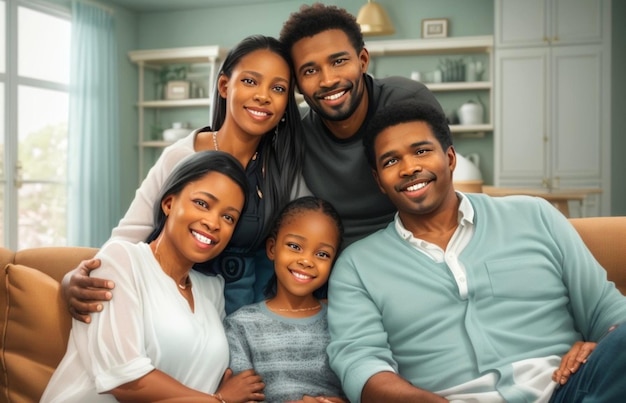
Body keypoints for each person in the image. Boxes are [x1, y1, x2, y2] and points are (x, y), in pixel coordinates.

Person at [326, 100, 626, 403]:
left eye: (421, 151)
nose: (409, 168)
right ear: (379, 181)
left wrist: (604, 345)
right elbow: (361, 365)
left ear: (450, 157)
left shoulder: (534, 215)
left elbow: (607, 309)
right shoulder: (357, 266)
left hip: (568, 390)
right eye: (390, 161)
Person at [64, 34, 307, 318]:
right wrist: (73, 279)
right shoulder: (182, 155)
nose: (263, 96)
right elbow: (129, 236)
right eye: (250, 81)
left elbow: (303, 247)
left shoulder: (285, 169)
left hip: (247, 319)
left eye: (278, 88)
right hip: (171, 311)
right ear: (225, 86)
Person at [41, 150, 265, 403]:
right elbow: (126, 381)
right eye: (202, 203)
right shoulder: (121, 261)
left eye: (228, 217)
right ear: (169, 203)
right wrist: (219, 400)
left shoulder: (212, 290)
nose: (214, 223)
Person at [279, 2, 443, 247]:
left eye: (339, 61)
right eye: (310, 70)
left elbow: (440, 193)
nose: (328, 80)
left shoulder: (408, 102)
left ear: (362, 60)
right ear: (297, 84)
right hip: (334, 261)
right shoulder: (296, 131)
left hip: (414, 248)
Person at [224, 196, 347, 403]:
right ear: (272, 248)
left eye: (322, 254)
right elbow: (240, 395)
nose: (306, 261)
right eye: (295, 246)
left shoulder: (342, 323)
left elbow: (361, 388)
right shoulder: (241, 325)